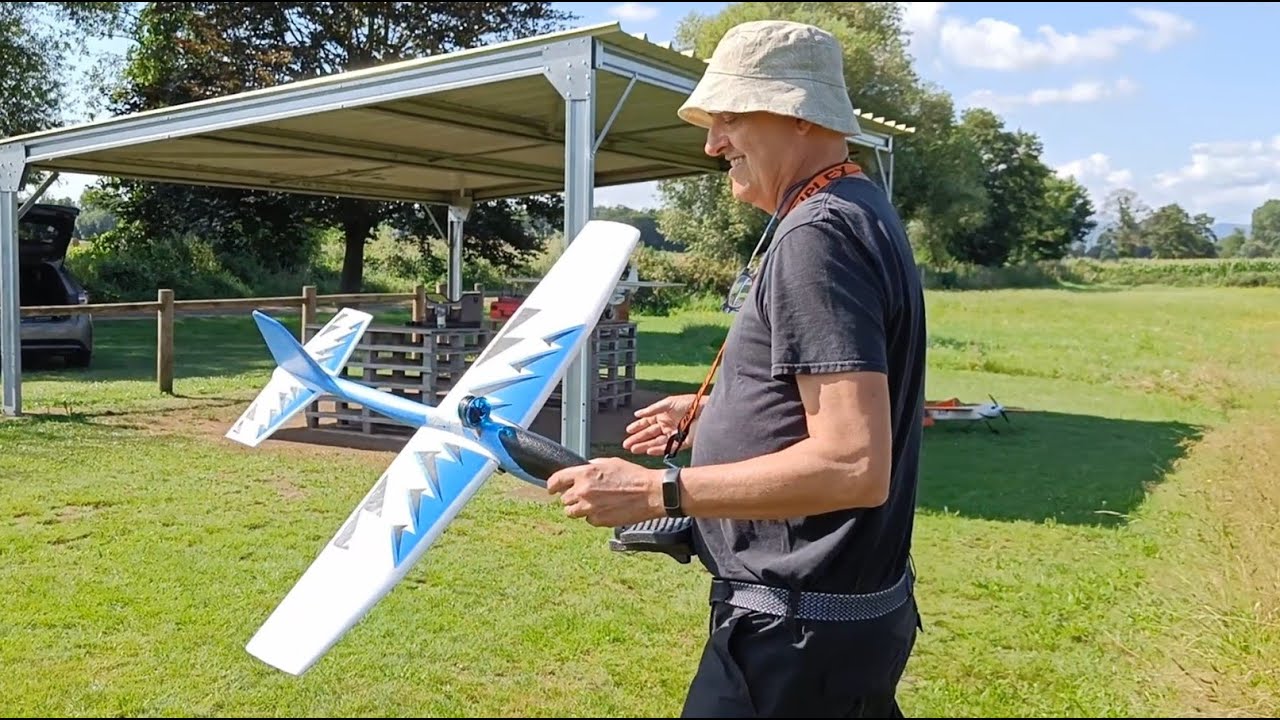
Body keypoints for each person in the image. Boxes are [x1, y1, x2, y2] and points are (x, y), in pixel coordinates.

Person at [545, 18, 927, 719]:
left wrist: (660, 493)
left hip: (794, 634)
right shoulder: (857, 209)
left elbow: (853, 465)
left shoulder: (819, 236)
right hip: (836, 625)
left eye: (729, 117)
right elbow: (837, 394)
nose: (711, 142)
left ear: (798, 115)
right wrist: (721, 409)